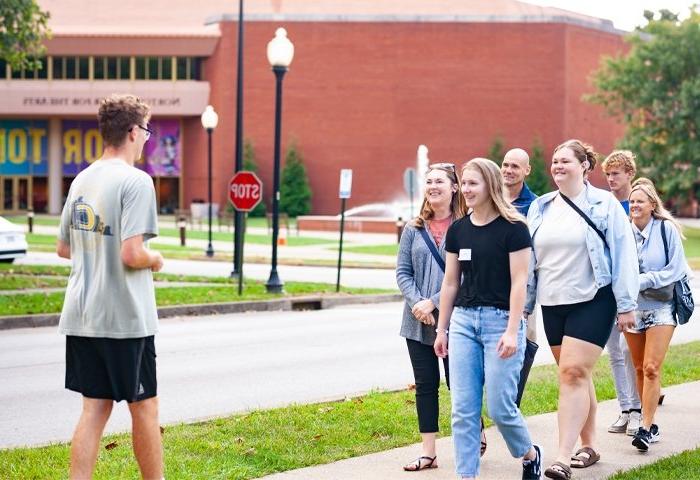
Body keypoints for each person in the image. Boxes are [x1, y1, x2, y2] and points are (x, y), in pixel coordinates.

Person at [57, 94, 164, 479]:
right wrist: (156, 259)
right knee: (145, 409)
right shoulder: (136, 182)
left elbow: (63, 248)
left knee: (94, 410)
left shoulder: (82, 179)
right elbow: (133, 253)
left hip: (83, 315)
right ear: (134, 131)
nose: (147, 139)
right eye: (147, 132)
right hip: (125, 318)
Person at [524, 139, 638, 480]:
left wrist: (627, 305)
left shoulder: (604, 204)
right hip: (554, 302)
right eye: (555, 161)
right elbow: (531, 262)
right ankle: (590, 445)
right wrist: (525, 307)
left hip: (594, 298)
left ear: (584, 166)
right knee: (575, 375)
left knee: (572, 373)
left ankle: (561, 457)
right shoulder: (541, 207)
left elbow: (624, 254)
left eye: (565, 161)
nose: (557, 166)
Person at [434, 158, 542, 480]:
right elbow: (451, 282)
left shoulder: (514, 228)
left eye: (472, 184)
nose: (465, 190)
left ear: (490, 185)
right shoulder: (458, 230)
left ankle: (529, 453)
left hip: (501, 323)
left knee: (499, 408)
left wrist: (512, 330)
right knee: (463, 410)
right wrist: (443, 329)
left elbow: (520, 281)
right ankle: (467, 475)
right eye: (463, 183)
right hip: (464, 324)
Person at [396, 162, 468, 471]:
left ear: (454, 188)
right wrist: (418, 304)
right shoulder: (414, 228)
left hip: (457, 321)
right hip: (416, 322)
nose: (433, 186)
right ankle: (429, 452)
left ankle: (472, 433)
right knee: (425, 384)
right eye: (429, 181)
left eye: (439, 181)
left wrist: (435, 303)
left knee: (460, 383)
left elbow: (468, 275)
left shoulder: (466, 227)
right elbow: (402, 272)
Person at [625, 179, 687, 452]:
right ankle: (648, 421)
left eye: (640, 201)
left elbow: (676, 270)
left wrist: (643, 280)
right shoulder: (623, 232)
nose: (635, 205)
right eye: (632, 201)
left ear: (653, 204)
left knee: (651, 368)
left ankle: (645, 427)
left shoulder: (666, 230)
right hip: (631, 308)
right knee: (638, 368)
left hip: (662, 307)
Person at [601, 151, 643, 435]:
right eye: (608, 174)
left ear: (629, 173)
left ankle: (639, 410)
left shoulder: (638, 205)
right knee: (614, 351)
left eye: (616, 173)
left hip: (631, 290)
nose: (611, 179)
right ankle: (624, 409)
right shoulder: (604, 206)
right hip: (606, 290)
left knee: (630, 351)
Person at [502, 148, 540, 407]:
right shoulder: (490, 198)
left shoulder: (535, 205)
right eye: (505, 164)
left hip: (524, 282)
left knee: (527, 337)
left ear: (527, 170)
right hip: (491, 280)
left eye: (515, 166)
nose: (508, 170)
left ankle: (513, 400)